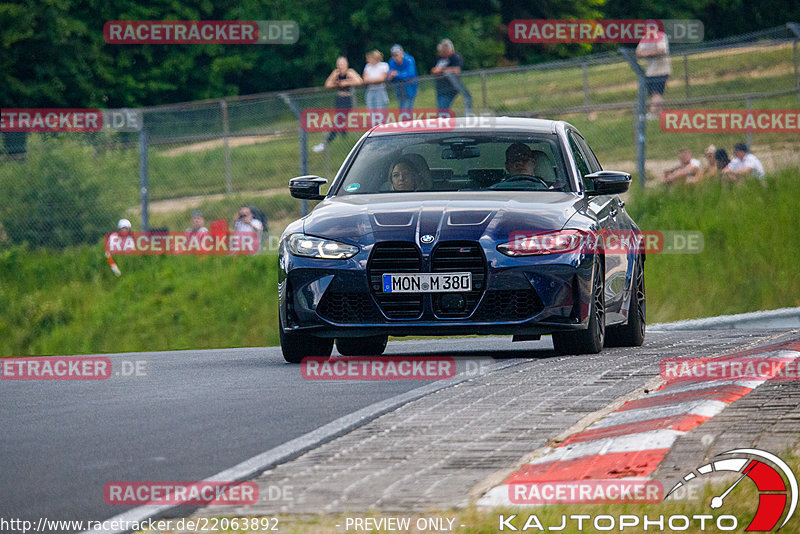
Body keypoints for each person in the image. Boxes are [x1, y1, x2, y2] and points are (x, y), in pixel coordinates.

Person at [314, 57, 362, 152]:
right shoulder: (336, 73)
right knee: (340, 120)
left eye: (343, 64)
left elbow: (359, 81)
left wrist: (346, 82)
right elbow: (327, 84)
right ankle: (344, 137)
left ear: (346, 64)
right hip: (339, 100)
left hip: (348, 99)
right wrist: (337, 83)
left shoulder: (350, 72)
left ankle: (326, 142)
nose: (341, 66)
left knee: (338, 121)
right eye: (339, 64)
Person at [635, 28, 671, 119]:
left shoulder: (661, 36)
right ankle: (659, 113)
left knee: (657, 93)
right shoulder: (645, 38)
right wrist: (646, 54)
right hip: (650, 72)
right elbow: (638, 51)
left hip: (661, 70)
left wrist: (647, 53)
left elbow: (661, 50)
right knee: (654, 94)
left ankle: (652, 113)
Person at [431, 39, 471, 112]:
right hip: (440, 89)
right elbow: (434, 70)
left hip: (450, 89)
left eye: (443, 51)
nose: (441, 53)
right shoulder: (439, 58)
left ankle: (446, 122)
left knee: (442, 110)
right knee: (441, 110)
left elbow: (457, 70)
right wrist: (439, 71)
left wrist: (441, 70)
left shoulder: (455, 57)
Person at [387, 44, 418, 110]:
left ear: (402, 53)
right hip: (399, 89)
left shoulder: (409, 59)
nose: (395, 58)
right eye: (393, 55)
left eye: (396, 55)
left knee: (407, 108)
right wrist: (390, 76)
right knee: (401, 108)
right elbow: (389, 75)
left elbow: (410, 74)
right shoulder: (391, 61)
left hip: (410, 88)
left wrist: (397, 74)